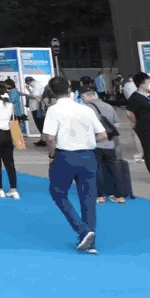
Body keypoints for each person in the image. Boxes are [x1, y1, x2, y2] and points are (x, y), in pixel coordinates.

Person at [40, 76, 107, 254]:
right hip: (88, 155)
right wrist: (87, 141)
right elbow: (103, 134)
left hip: (65, 155)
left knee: (57, 192)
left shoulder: (54, 110)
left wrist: (52, 154)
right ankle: (91, 242)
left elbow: (49, 137)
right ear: (70, 88)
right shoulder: (85, 109)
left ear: (51, 91)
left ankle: (82, 230)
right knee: (88, 199)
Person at [83, 87, 126, 204]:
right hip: (109, 143)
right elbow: (116, 124)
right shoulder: (109, 106)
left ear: (88, 96)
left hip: (94, 143)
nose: (83, 99)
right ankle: (119, 196)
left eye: (83, 97)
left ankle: (100, 196)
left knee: (96, 169)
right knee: (114, 169)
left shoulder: (86, 109)